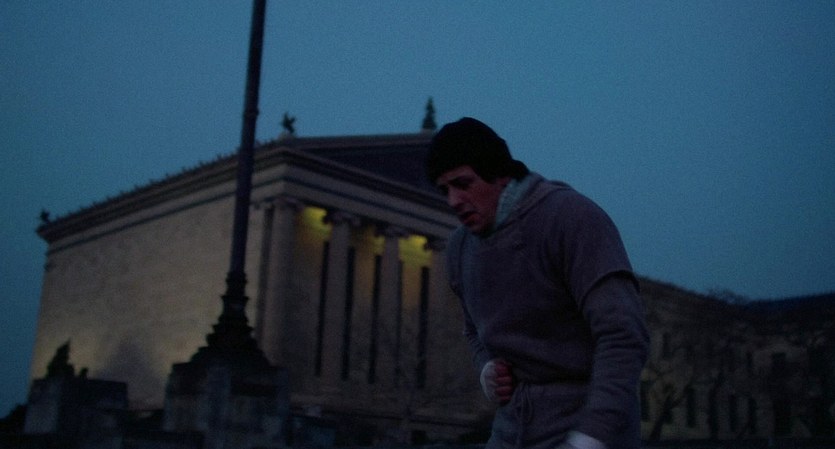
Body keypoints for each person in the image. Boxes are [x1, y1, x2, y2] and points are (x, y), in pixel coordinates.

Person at [425, 117, 650, 449]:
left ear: (500, 175)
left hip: (588, 424)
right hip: (511, 428)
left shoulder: (570, 219)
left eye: (463, 183)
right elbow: (473, 329)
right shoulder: (460, 249)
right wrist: (487, 367)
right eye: (445, 190)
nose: (454, 200)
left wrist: (592, 436)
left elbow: (623, 335)